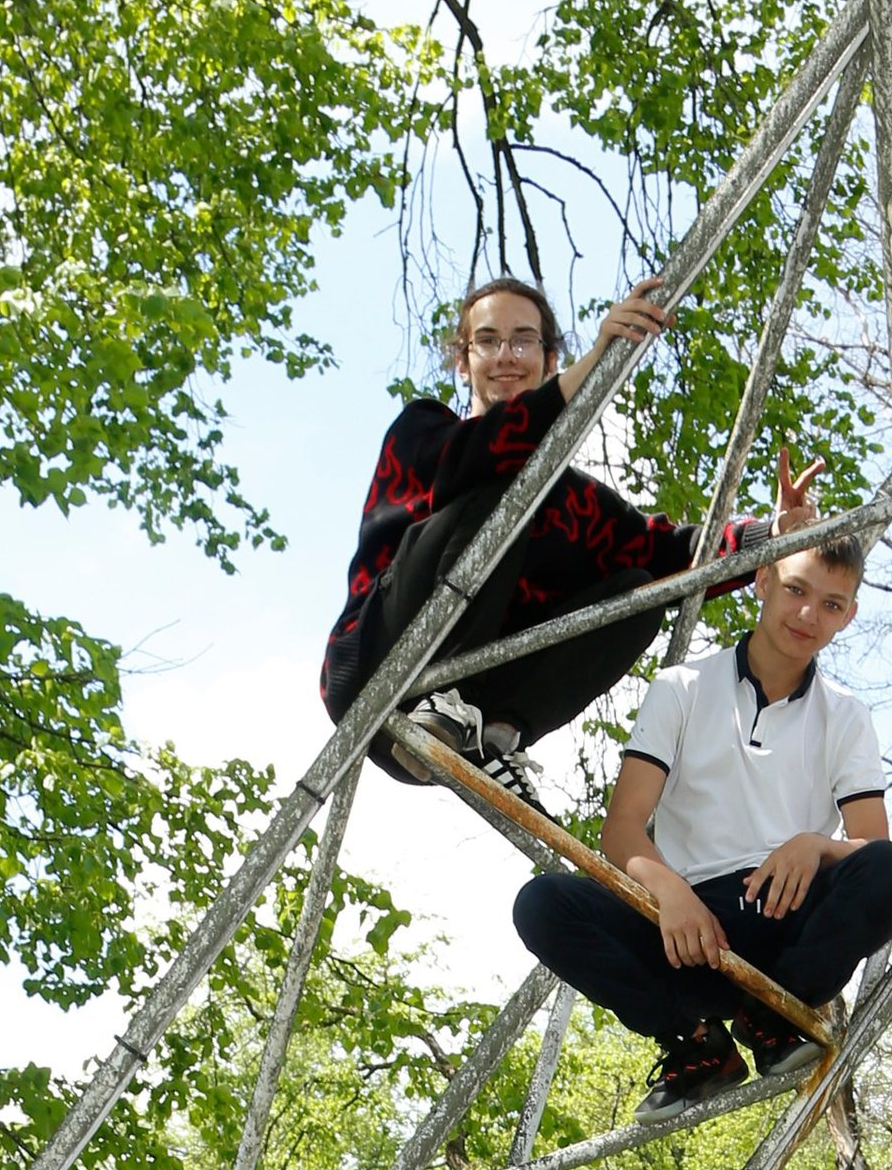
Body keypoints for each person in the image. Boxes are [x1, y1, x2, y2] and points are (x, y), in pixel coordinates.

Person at [509, 522, 892, 1108]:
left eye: (830, 604)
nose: (809, 614)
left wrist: (815, 845)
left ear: (848, 616)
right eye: (796, 590)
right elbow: (622, 826)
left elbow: (873, 849)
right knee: (542, 904)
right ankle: (696, 1042)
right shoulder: (683, 686)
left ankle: (770, 1015)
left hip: (784, 920)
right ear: (762, 580)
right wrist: (670, 891)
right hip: (687, 928)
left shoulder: (847, 715)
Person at [322, 272, 781, 797]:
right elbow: (481, 453)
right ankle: (450, 697)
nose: (506, 356)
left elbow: (669, 555)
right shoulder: (423, 432)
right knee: (511, 484)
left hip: (464, 723)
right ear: (462, 360)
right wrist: (597, 366)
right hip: (377, 661)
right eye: (487, 341)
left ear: (548, 358)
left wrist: (774, 539)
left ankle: (498, 735)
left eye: (523, 341)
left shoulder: (576, 504)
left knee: (640, 590)